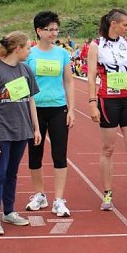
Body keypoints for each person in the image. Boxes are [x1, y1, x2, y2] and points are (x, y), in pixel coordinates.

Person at [87, 8, 127, 213]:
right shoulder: (96, 45)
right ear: (113, 24)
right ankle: (107, 193)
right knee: (108, 149)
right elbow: (91, 76)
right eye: (125, 24)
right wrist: (92, 102)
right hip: (107, 100)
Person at [0, 31, 41, 235]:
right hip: (1, 132)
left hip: (21, 131)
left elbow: (31, 100)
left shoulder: (26, 70)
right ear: (18, 48)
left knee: (12, 173)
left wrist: (36, 128)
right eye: (28, 47)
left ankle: (8, 211)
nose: (30, 51)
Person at [25, 11, 75, 218]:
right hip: (35, 109)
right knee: (35, 153)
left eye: (56, 29)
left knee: (59, 153)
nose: (54, 33)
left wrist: (71, 109)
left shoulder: (62, 54)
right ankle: (39, 195)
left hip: (58, 108)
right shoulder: (29, 54)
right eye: (49, 29)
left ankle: (59, 199)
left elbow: (69, 81)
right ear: (39, 31)